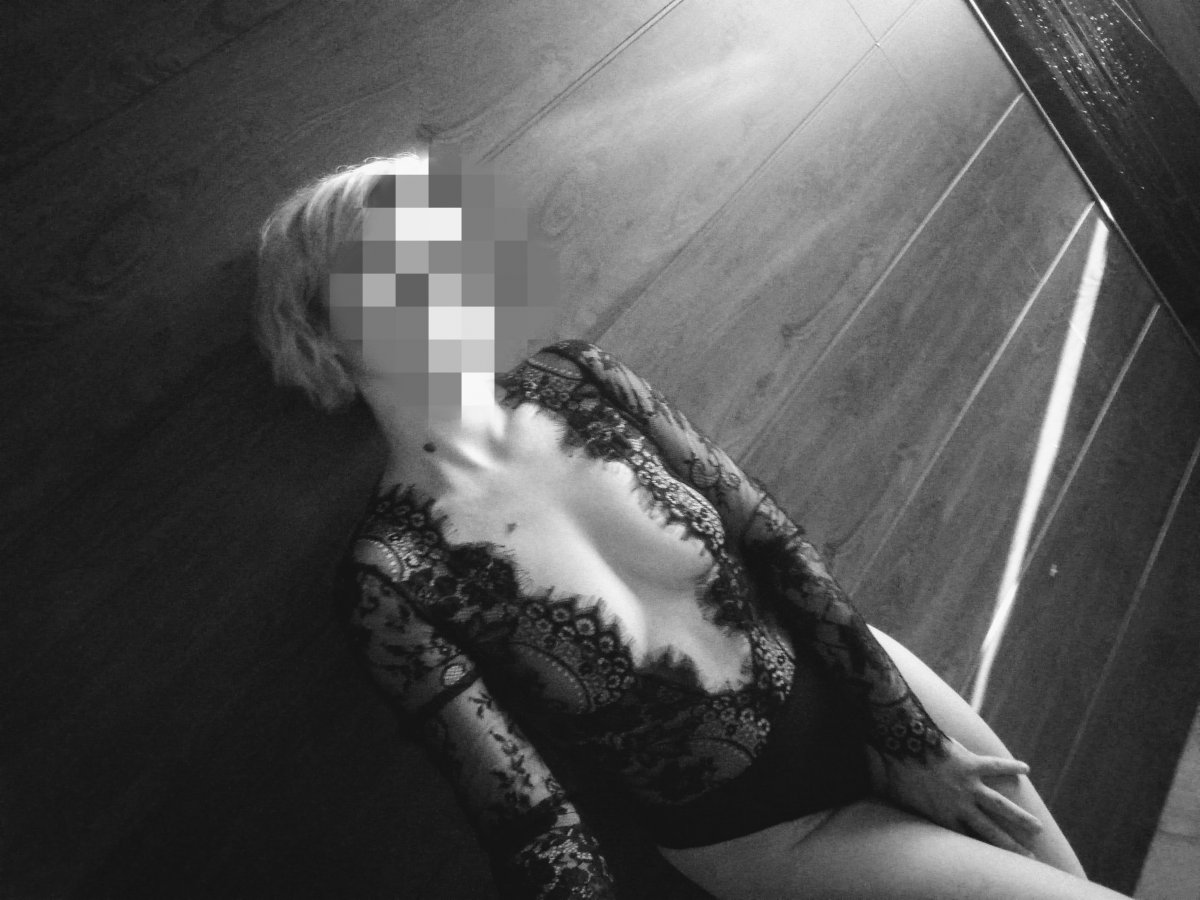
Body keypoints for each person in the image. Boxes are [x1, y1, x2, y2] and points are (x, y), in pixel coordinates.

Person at [252, 148, 1134, 899]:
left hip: (868, 681)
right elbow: (528, 817)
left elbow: (773, 542)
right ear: (320, 328)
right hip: (774, 829)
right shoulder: (390, 574)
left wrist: (910, 738)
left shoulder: (582, 378)